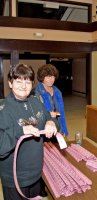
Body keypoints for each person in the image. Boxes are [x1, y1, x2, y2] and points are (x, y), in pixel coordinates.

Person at [0, 63, 59, 200]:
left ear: (32, 84)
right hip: (14, 179)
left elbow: (51, 120)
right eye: (18, 81)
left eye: (27, 81)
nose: (23, 86)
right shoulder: (3, 109)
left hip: (36, 173)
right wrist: (20, 130)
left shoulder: (35, 102)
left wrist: (51, 122)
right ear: (10, 83)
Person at [35, 64, 68, 136]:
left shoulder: (57, 92)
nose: (51, 79)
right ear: (42, 77)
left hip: (57, 125)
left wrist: (63, 130)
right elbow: (34, 114)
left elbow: (61, 113)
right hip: (44, 128)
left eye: (53, 76)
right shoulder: (36, 93)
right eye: (48, 77)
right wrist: (48, 114)